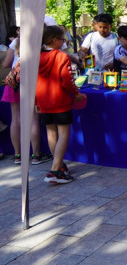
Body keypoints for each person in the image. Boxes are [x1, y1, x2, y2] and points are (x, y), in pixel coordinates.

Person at [37, 26, 84, 184]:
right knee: (63, 134)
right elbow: (67, 80)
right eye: (62, 40)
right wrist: (77, 93)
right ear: (54, 40)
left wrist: (35, 101)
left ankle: (59, 166)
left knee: (51, 133)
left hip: (43, 100)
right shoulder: (61, 56)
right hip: (60, 100)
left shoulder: (37, 57)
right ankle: (55, 170)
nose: (64, 42)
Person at [1, 36, 47, 165]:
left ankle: (17, 155)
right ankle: (36, 155)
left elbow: (6, 64)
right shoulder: (38, 44)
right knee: (33, 119)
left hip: (13, 83)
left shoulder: (16, 42)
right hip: (29, 83)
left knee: (15, 119)